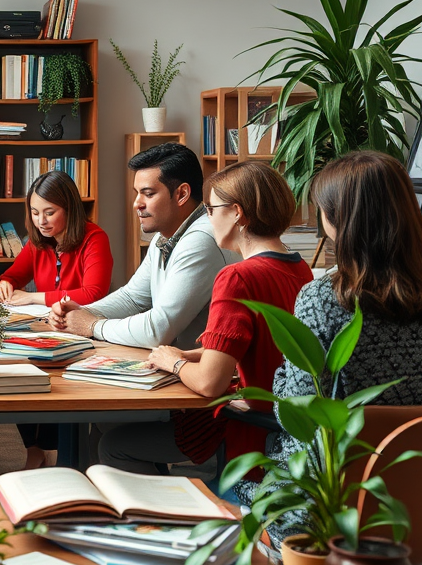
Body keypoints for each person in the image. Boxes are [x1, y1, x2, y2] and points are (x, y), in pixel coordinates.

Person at [237, 151, 422, 537]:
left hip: (326, 505)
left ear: (339, 220)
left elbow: (297, 418)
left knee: (229, 480)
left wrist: (282, 373)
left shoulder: (323, 300)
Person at [98, 161, 312, 473]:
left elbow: (210, 384)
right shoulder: (299, 268)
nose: (208, 219)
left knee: (112, 445)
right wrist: (196, 353)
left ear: (237, 213)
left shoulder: (238, 277)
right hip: (285, 424)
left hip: (246, 430)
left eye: (211, 209)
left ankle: (164, 519)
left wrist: (174, 362)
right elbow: (264, 344)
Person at [50, 142, 236, 348]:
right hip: (178, 365)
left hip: (201, 374)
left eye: (148, 194)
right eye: (137, 193)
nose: (136, 203)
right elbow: (133, 298)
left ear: (182, 194)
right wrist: (83, 311)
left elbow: (158, 330)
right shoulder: (165, 235)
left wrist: (93, 326)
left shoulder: (201, 240)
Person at [0, 170, 113, 469]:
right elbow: (13, 275)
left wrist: (33, 296)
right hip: (48, 329)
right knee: (14, 369)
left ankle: (49, 452)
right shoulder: (38, 241)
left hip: (83, 331)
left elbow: (93, 292)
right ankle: (34, 449)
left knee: (47, 373)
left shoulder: (94, 238)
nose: (41, 221)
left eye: (49, 212)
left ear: (69, 210)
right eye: (34, 212)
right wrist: (3, 284)